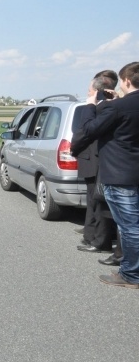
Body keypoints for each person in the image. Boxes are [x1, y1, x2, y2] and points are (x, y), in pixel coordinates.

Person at [70, 61, 139, 289]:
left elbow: (88, 130)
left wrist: (91, 104)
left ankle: (131, 274)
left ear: (126, 81)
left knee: (129, 227)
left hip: (121, 174)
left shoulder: (118, 107)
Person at [72, 71, 120, 256]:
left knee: (99, 203)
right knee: (94, 201)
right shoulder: (109, 107)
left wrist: (74, 148)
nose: (88, 94)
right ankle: (91, 235)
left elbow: (85, 132)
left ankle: (100, 241)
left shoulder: (104, 109)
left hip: (96, 161)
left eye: (89, 91)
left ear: (97, 92)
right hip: (92, 160)